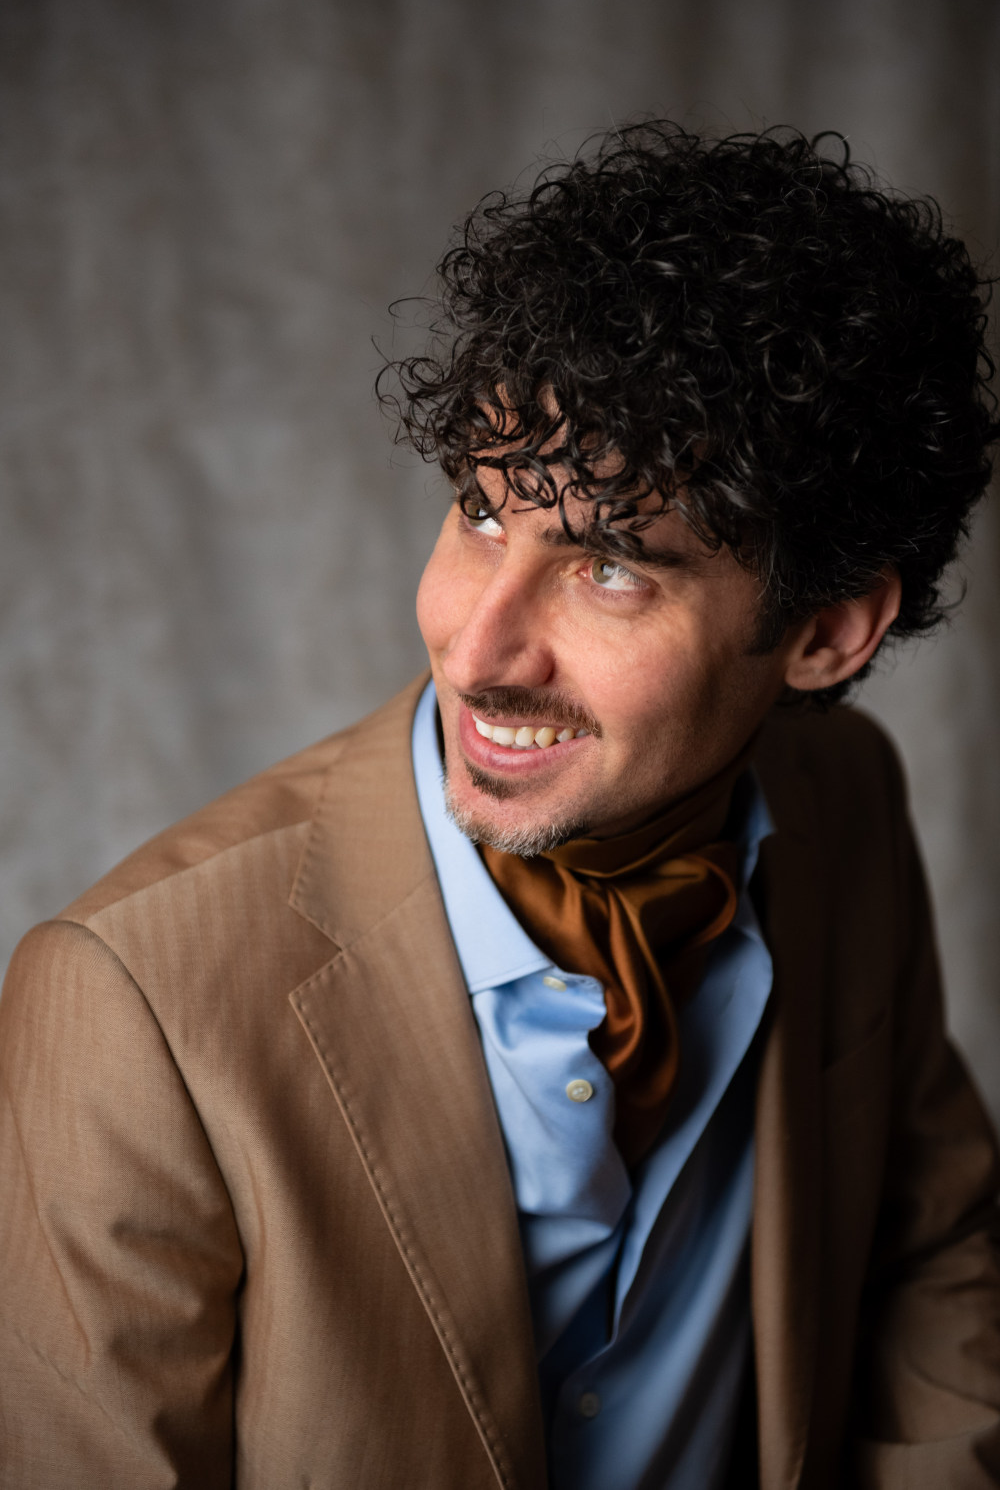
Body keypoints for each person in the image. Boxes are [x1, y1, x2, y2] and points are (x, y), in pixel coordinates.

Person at [1, 121, 999, 1490]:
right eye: (481, 513)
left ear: (827, 635)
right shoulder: (131, 1006)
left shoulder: (848, 797)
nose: (474, 650)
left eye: (609, 567)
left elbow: (930, 1249)